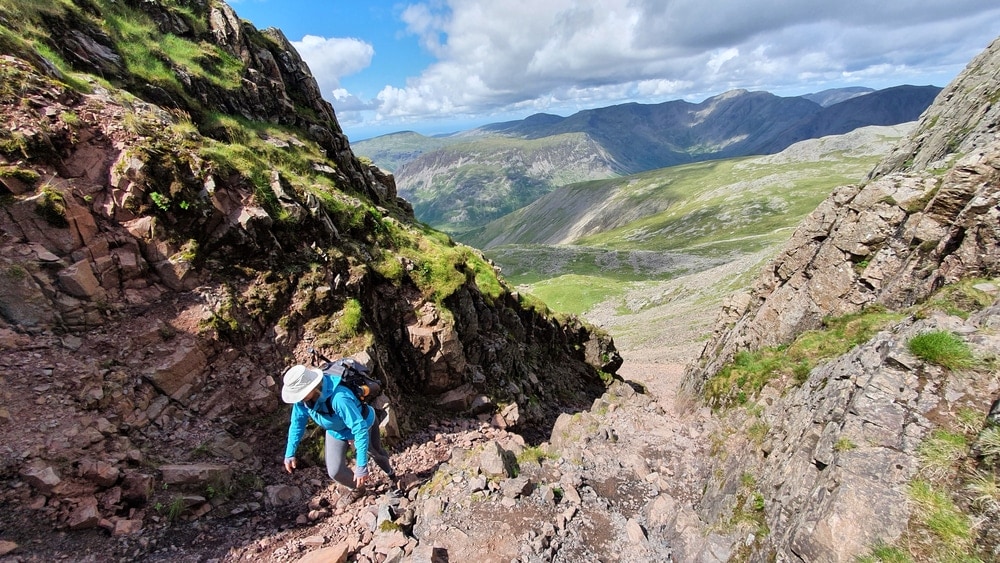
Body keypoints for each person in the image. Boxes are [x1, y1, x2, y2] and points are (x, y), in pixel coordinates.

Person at [281, 363, 399, 503]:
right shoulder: (303, 402)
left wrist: (361, 465)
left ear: (312, 387)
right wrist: (290, 453)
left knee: (375, 453)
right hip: (336, 432)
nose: (298, 399)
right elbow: (297, 424)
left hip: (363, 424)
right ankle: (358, 488)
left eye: (300, 394)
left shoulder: (339, 398)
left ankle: (392, 476)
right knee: (335, 471)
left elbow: (359, 428)